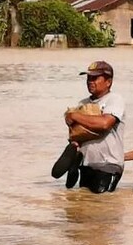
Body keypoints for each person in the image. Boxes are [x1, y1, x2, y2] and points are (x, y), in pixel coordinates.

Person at [51, 61, 126, 193]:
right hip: (86, 166)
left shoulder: (114, 99)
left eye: (95, 78)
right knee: (85, 207)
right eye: (88, 78)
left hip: (108, 166)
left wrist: (74, 116)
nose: (90, 81)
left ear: (108, 81)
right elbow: (77, 135)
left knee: (104, 206)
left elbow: (105, 123)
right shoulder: (83, 103)